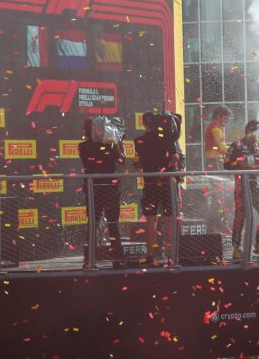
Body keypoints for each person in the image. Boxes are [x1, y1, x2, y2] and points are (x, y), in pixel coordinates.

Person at [134, 112, 184, 264]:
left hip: (150, 183)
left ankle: (150, 254)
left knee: (151, 219)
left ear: (144, 124)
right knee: (169, 218)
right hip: (168, 183)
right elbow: (176, 159)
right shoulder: (168, 140)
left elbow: (139, 164)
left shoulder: (139, 140)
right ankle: (171, 255)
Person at [79, 119, 127, 268]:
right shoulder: (92, 145)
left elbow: (122, 160)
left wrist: (116, 142)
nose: (100, 131)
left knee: (105, 224)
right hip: (100, 190)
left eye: (102, 129)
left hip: (103, 189)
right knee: (99, 224)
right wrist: (116, 143)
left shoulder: (106, 145)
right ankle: (96, 261)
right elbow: (121, 159)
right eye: (98, 129)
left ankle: (109, 260)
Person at [224, 120, 259, 260]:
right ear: (250, 131)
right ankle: (237, 249)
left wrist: (255, 167)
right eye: (257, 132)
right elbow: (226, 164)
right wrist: (239, 164)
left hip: (254, 184)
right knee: (240, 217)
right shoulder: (236, 146)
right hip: (241, 185)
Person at [204, 105, 232, 170]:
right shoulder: (215, 129)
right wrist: (234, 149)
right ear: (218, 116)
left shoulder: (213, 127)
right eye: (225, 118)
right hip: (215, 161)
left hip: (213, 160)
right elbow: (222, 148)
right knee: (218, 179)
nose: (227, 120)